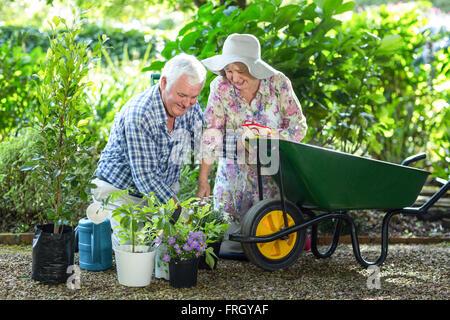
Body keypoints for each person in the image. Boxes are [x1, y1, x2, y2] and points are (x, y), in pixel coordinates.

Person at [196, 34, 308, 256]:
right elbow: (212, 133)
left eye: (240, 70)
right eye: (229, 69)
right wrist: (203, 179)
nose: (234, 77)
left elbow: (299, 127)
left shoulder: (278, 84)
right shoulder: (220, 87)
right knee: (230, 250)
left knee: (268, 248)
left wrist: (267, 137)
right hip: (232, 183)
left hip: (271, 180)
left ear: (255, 68)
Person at [91, 53, 206, 248]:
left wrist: (203, 181)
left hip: (160, 194)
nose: (187, 104)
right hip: (120, 194)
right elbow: (146, 178)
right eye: (182, 95)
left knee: (168, 251)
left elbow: (205, 143)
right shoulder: (140, 114)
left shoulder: (190, 109)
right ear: (163, 83)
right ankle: (95, 229)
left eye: (194, 97)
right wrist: (178, 211)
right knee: (136, 252)